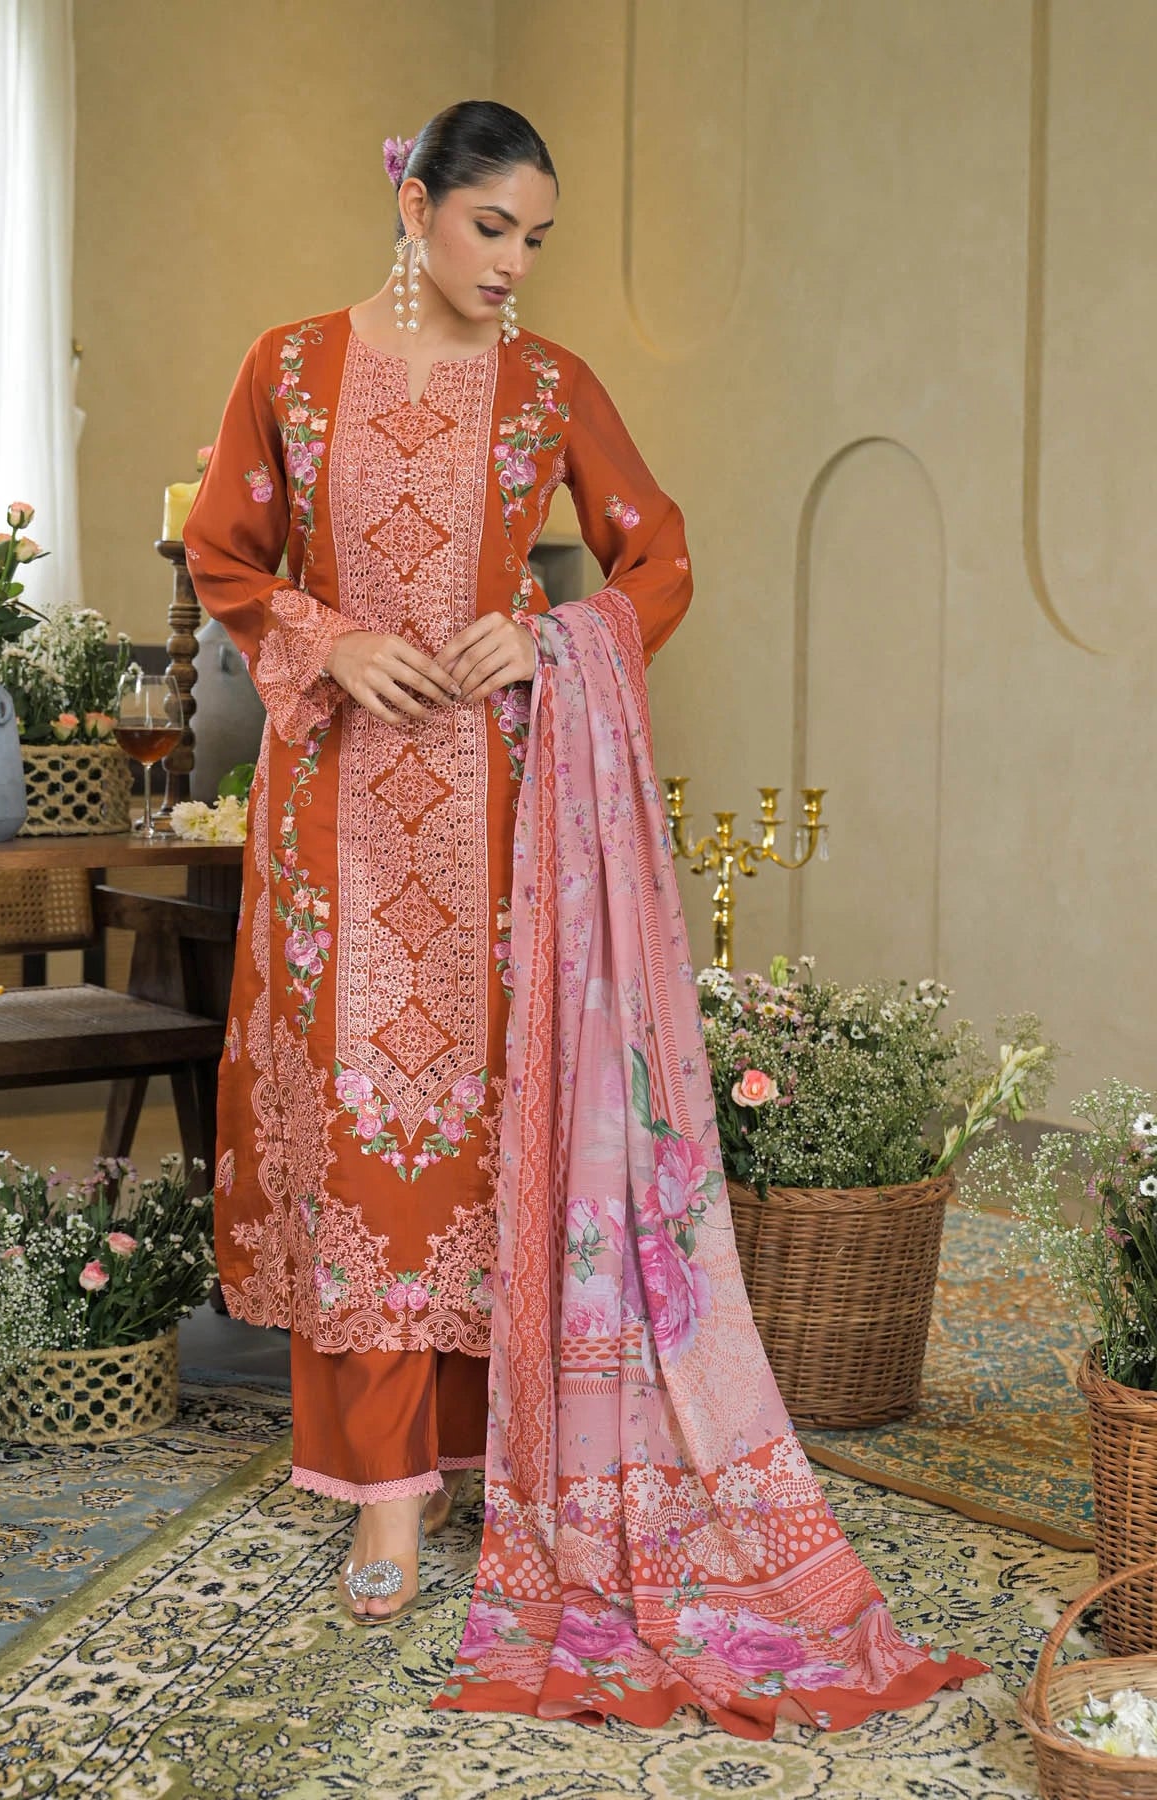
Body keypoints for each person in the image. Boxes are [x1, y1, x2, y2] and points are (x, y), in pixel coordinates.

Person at [186, 99, 984, 1734]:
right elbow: (224, 555)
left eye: (537, 239)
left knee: (487, 1133)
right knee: (361, 1139)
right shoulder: (287, 367)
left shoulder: (550, 389)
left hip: (500, 811)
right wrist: (329, 643)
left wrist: (548, 637)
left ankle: (489, 1455)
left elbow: (657, 556)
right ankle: (383, 1490)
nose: (514, 265)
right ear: (414, 207)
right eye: (493, 230)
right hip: (337, 813)